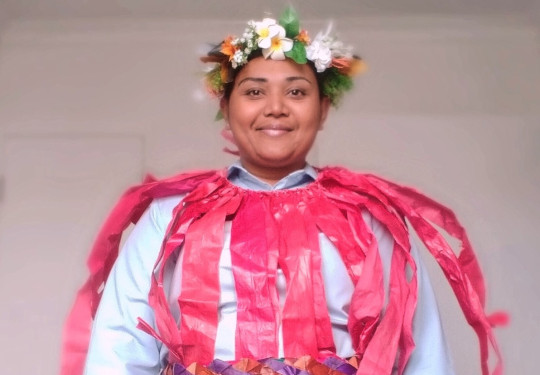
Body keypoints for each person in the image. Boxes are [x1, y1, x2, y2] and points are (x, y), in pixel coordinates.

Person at [60, 7, 504, 375]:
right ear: (226, 106)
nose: (275, 108)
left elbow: (422, 351)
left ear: (323, 107)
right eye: (254, 91)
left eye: (296, 91)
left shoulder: (369, 217)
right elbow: (118, 350)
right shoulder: (170, 215)